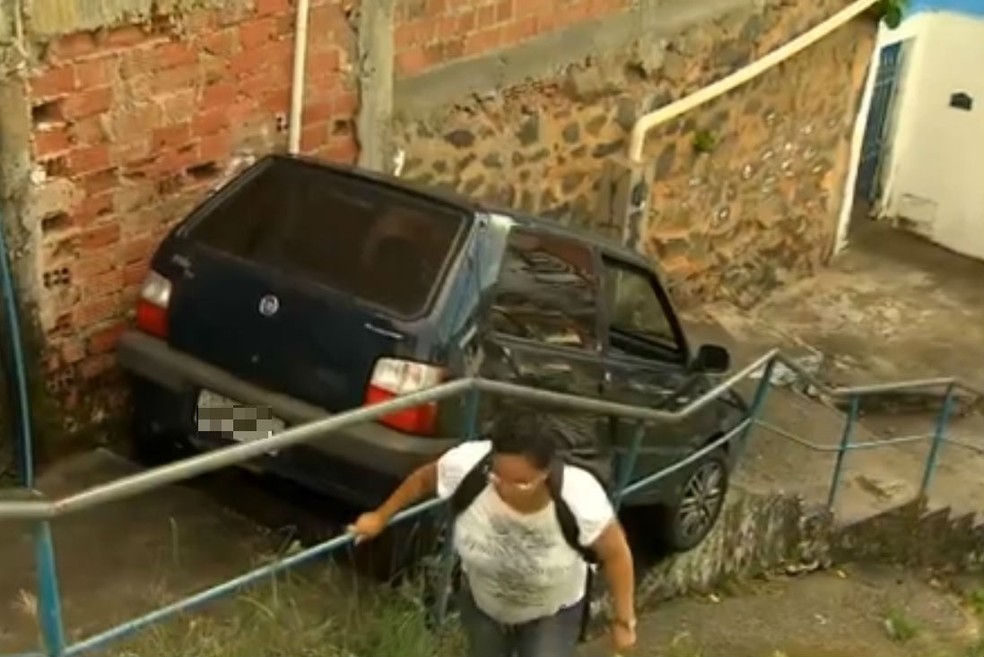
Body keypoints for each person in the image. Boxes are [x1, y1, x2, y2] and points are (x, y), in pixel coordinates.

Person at [348, 412, 637, 657]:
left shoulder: (580, 496)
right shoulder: (469, 466)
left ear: (545, 473)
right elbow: (424, 479)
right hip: (483, 605)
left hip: (551, 614)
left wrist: (623, 621)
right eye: (497, 476)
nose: (504, 489)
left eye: (520, 483)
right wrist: (380, 517)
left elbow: (616, 554)